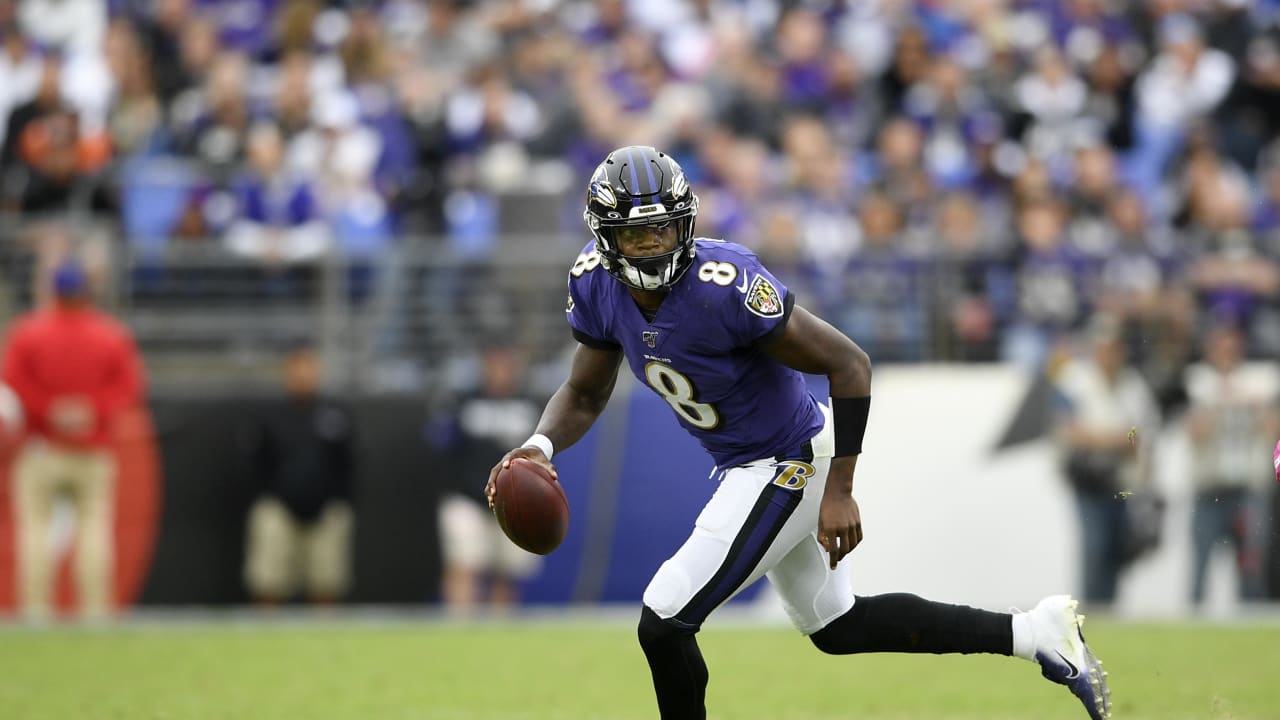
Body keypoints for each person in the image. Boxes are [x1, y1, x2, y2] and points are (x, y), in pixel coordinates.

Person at [486, 146, 1112, 720]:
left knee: (665, 619)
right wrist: (538, 446)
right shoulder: (595, 283)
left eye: (663, 229)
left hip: (788, 458)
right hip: (747, 462)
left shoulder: (724, 285)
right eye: (635, 233)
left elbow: (850, 363)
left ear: (686, 223)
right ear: (606, 236)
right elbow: (585, 391)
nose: (652, 246)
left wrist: (840, 486)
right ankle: (1037, 633)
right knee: (838, 627)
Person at [1, 259, 145, 620]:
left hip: (41, 447)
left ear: (53, 291)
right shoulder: (110, 334)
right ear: (86, 291)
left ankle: (35, 616)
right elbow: (129, 388)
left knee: (35, 531)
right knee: (94, 531)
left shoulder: (30, 332)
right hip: (91, 447)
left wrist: (50, 410)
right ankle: (95, 616)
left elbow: (12, 383)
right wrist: (90, 409)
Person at [1054, 316, 1161, 608]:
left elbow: (1139, 434)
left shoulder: (1132, 386)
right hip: (1087, 478)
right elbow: (1070, 432)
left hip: (1120, 481)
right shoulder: (1075, 380)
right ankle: (1093, 612)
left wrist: (1110, 438)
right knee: (1094, 545)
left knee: (1117, 547)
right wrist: (1117, 438)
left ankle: (1109, 609)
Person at [241, 340, 355, 605]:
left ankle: (327, 643)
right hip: (279, 508)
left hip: (325, 511)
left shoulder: (335, 413)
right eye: (297, 367)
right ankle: (265, 639)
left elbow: (349, 464)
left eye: (308, 366)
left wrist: (338, 502)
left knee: (326, 584)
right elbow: (254, 465)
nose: (303, 373)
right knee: (268, 582)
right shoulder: (269, 416)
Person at [434, 343, 542, 613]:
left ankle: (500, 634)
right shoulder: (463, 402)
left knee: (508, 571)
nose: (500, 372)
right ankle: (459, 626)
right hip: (468, 498)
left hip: (512, 502)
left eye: (506, 364)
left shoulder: (527, 404)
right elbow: (441, 445)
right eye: (495, 364)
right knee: (464, 562)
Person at [1183, 323, 1279, 607]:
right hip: (1208, 488)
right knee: (1200, 568)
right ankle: (1192, 631)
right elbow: (1194, 434)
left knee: (1251, 568)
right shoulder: (1198, 381)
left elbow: (1272, 431)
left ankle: (1253, 638)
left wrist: (1250, 401)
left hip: (1247, 489)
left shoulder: (1260, 381)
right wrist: (1217, 398)